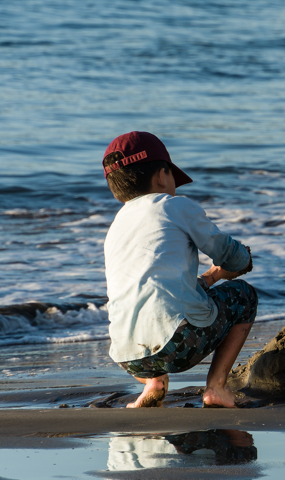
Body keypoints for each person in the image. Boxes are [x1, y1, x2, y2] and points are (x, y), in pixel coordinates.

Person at [102, 131, 258, 407]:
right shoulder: (174, 206)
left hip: (127, 357)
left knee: (155, 305)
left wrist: (212, 276)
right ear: (162, 175)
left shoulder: (116, 228)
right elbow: (228, 253)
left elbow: (161, 287)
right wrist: (242, 260)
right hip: (179, 345)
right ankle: (216, 387)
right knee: (244, 296)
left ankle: (153, 383)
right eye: (173, 177)